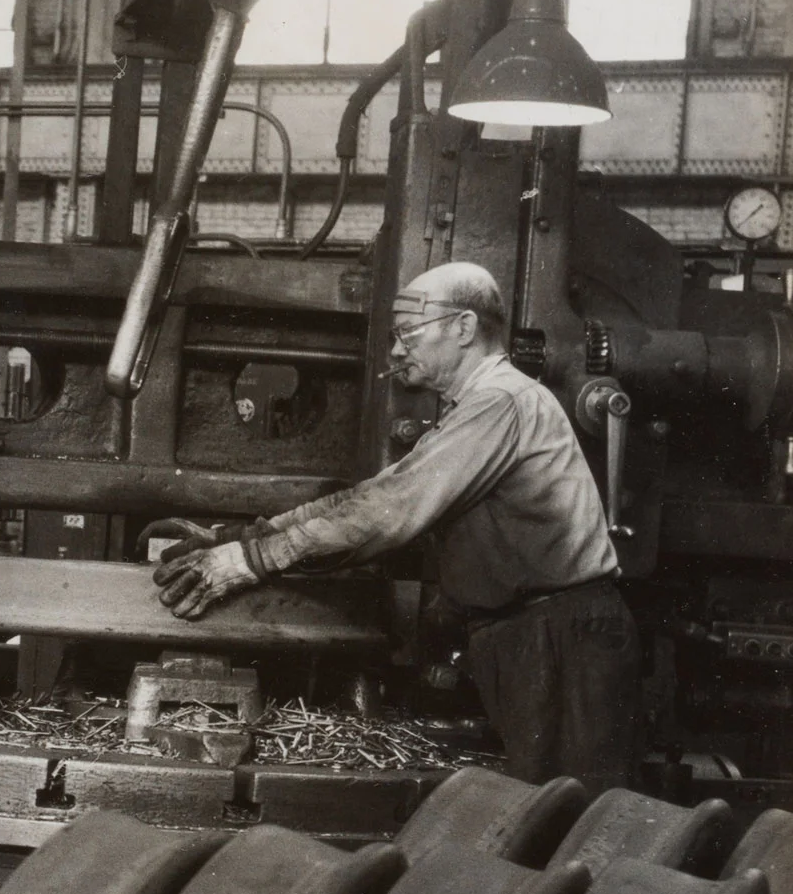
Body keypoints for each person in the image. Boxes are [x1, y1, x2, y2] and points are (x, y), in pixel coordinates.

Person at [153, 261, 641, 796]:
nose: (393, 353)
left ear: (462, 328)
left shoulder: (501, 402)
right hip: (531, 634)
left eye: (407, 334)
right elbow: (364, 496)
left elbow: (386, 513)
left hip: (558, 638)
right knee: (545, 812)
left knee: (567, 816)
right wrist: (242, 537)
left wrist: (253, 561)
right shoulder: (471, 409)